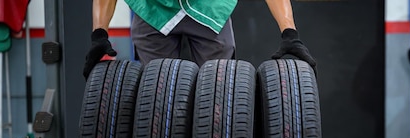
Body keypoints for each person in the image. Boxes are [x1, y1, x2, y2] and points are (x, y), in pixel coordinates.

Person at [83, 0, 317, 78]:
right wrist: (99, 34)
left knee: (220, 85)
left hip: (208, 7)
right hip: (153, 9)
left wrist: (289, 33)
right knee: (157, 90)